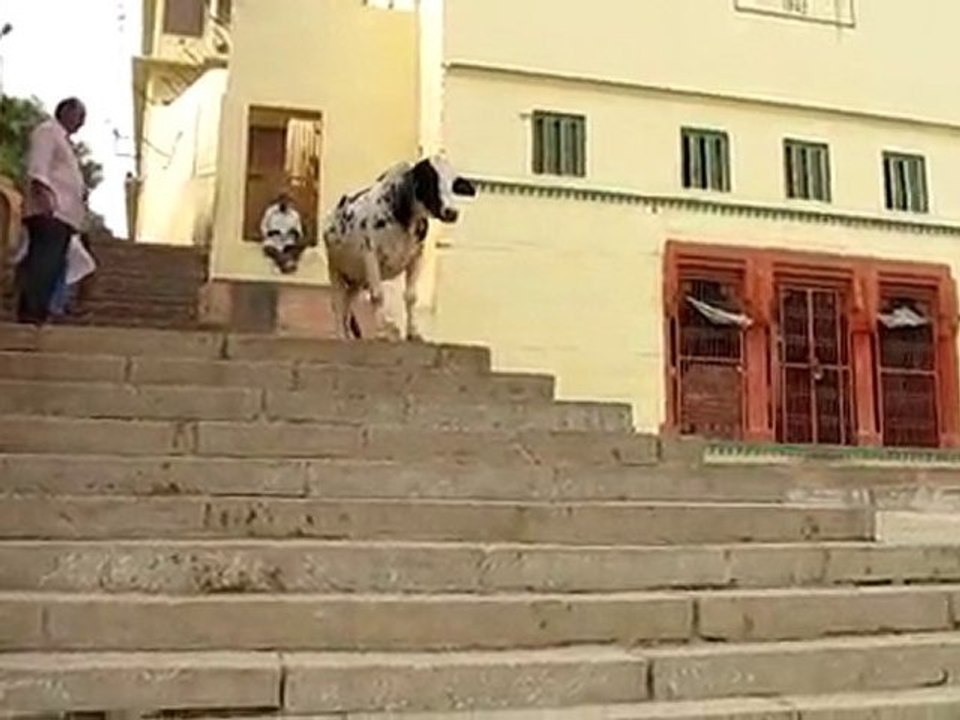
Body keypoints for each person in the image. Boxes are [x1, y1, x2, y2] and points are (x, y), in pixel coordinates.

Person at [16, 98, 90, 324]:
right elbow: (39, 165)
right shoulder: (47, 131)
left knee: (53, 264)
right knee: (43, 262)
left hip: (64, 215)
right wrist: (44, 194)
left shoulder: (64, 141)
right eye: (79, 116)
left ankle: (40, 311)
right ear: (65, 112)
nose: (81, 122)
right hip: (49, 211)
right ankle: (31, 312)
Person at [260, 191, 306, 274]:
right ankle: (287, 263)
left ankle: (283, 263)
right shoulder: (270, 212)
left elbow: (299, 231)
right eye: (282, 201)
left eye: (287, 201)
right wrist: (271, 232)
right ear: (279, 201)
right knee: (271, 250)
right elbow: (263, 227)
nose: (284, 203)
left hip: (288, 242)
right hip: (273, 242)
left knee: (296, 249)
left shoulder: (294, 215)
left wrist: (294, 232)